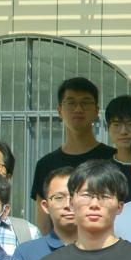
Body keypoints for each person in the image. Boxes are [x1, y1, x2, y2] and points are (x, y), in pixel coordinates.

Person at [28, 76, 113, 229]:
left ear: (96, 111)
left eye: (85, 103)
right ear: (59, 110)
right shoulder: (45, 165)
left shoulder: (112, 159)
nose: (78, 109)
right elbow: (44, 224)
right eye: (71, 102)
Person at [14, 167, 76, 260]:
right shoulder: (26, 254)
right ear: (45, 206)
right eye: (59, 198)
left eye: (74, 196)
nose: (68, 205)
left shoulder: (100, 249)